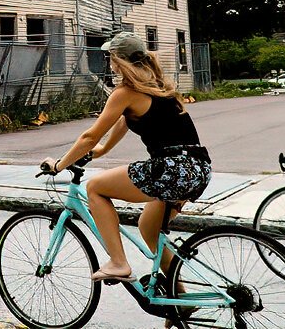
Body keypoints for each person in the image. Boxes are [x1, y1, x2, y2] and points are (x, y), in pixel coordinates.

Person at [41, 31, 211, 285]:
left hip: (171, 169)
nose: (108, 62)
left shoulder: (126, 91)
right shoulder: (157, 86)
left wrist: (59, 164)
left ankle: (118, 262)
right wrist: (103, 150)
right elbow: (125, 120)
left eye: (110, 57)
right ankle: (181, 296)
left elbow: (89, 136)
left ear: (118, 61)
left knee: (95, 188)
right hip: (198, 169)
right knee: (148, 228)